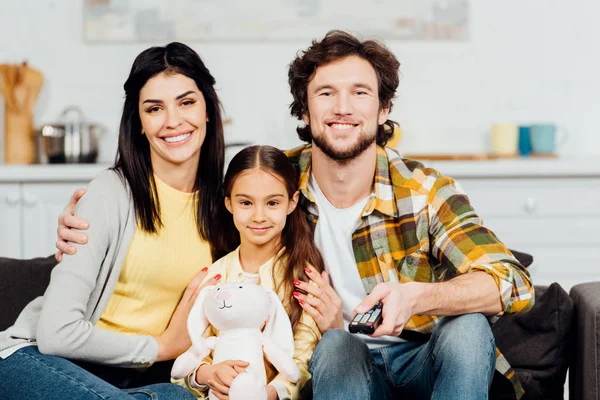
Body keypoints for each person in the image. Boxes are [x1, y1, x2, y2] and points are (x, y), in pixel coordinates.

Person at [55, 30, 535, 399]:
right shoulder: (270, 187)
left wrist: (416, 297)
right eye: (325, 93)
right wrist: (87, 230)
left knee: (470, 326)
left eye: (360, 93)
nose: (342, 108)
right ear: (303, 111)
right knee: (336, 345)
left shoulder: (425, 191)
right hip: (334, 364)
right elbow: (183, 232)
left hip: (420, 360)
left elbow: (511, 282)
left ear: (385, 108)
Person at [0, 42, 227, 400]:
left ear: (208, 110)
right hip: (38, 361)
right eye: (154, 108)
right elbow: (56, 333)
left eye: (186, 102)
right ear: (138, 122)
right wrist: (161, 346)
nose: (172, 121)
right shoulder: (110, 193)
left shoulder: (227, 206)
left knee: (178, 397)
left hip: (129, 382)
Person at [178, 145, 324, 400]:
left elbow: (303, 363)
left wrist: (266, 394)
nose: (258, 216)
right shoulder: (216, 277)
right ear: (229, 203)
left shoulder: (303, 275)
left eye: (272, 203)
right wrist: (208, 374)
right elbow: (188, 361)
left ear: (292, 202)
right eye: (245, 202)